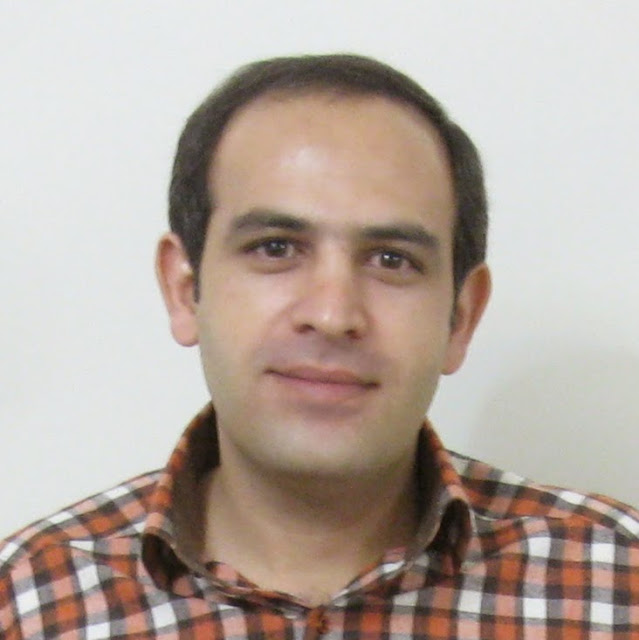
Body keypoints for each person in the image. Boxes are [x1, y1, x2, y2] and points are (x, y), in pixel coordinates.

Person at [1, 53, 637, 639]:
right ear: (185, 289)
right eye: (275, 248)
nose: (333, 315)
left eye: (392, 259)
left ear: (461, 317)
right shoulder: (26, 604)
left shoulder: (619, 586)